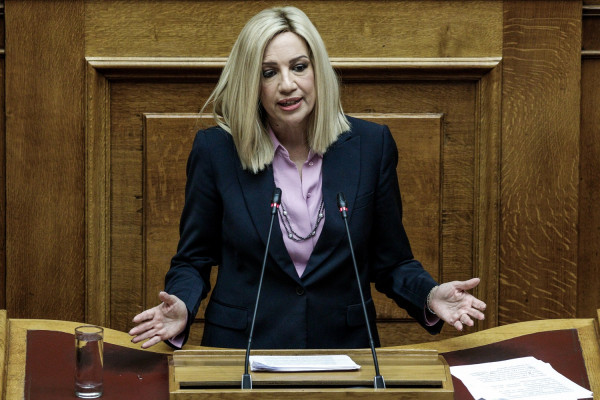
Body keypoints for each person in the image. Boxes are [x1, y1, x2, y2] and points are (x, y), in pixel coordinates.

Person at [129, 6, 486, 350]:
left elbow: (392, 261)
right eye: (268, 73)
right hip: (242, 351)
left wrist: (429, 294)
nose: (287, 84)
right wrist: (182, 303)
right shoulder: (216, 151)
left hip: (344, 352)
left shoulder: (371, 146)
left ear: (318, 71)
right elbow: (193, 259)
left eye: (299, 67)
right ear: (251, 83)